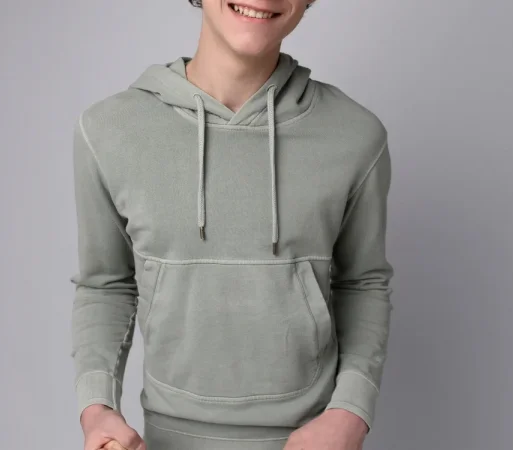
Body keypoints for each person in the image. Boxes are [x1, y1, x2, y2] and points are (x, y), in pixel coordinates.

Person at [70, 1, 395, 449]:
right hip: (166, 439)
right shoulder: (109, 130)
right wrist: (97, 409)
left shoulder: (355, 135)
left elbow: (363, 283)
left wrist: (351, 413)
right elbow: (105, 284)